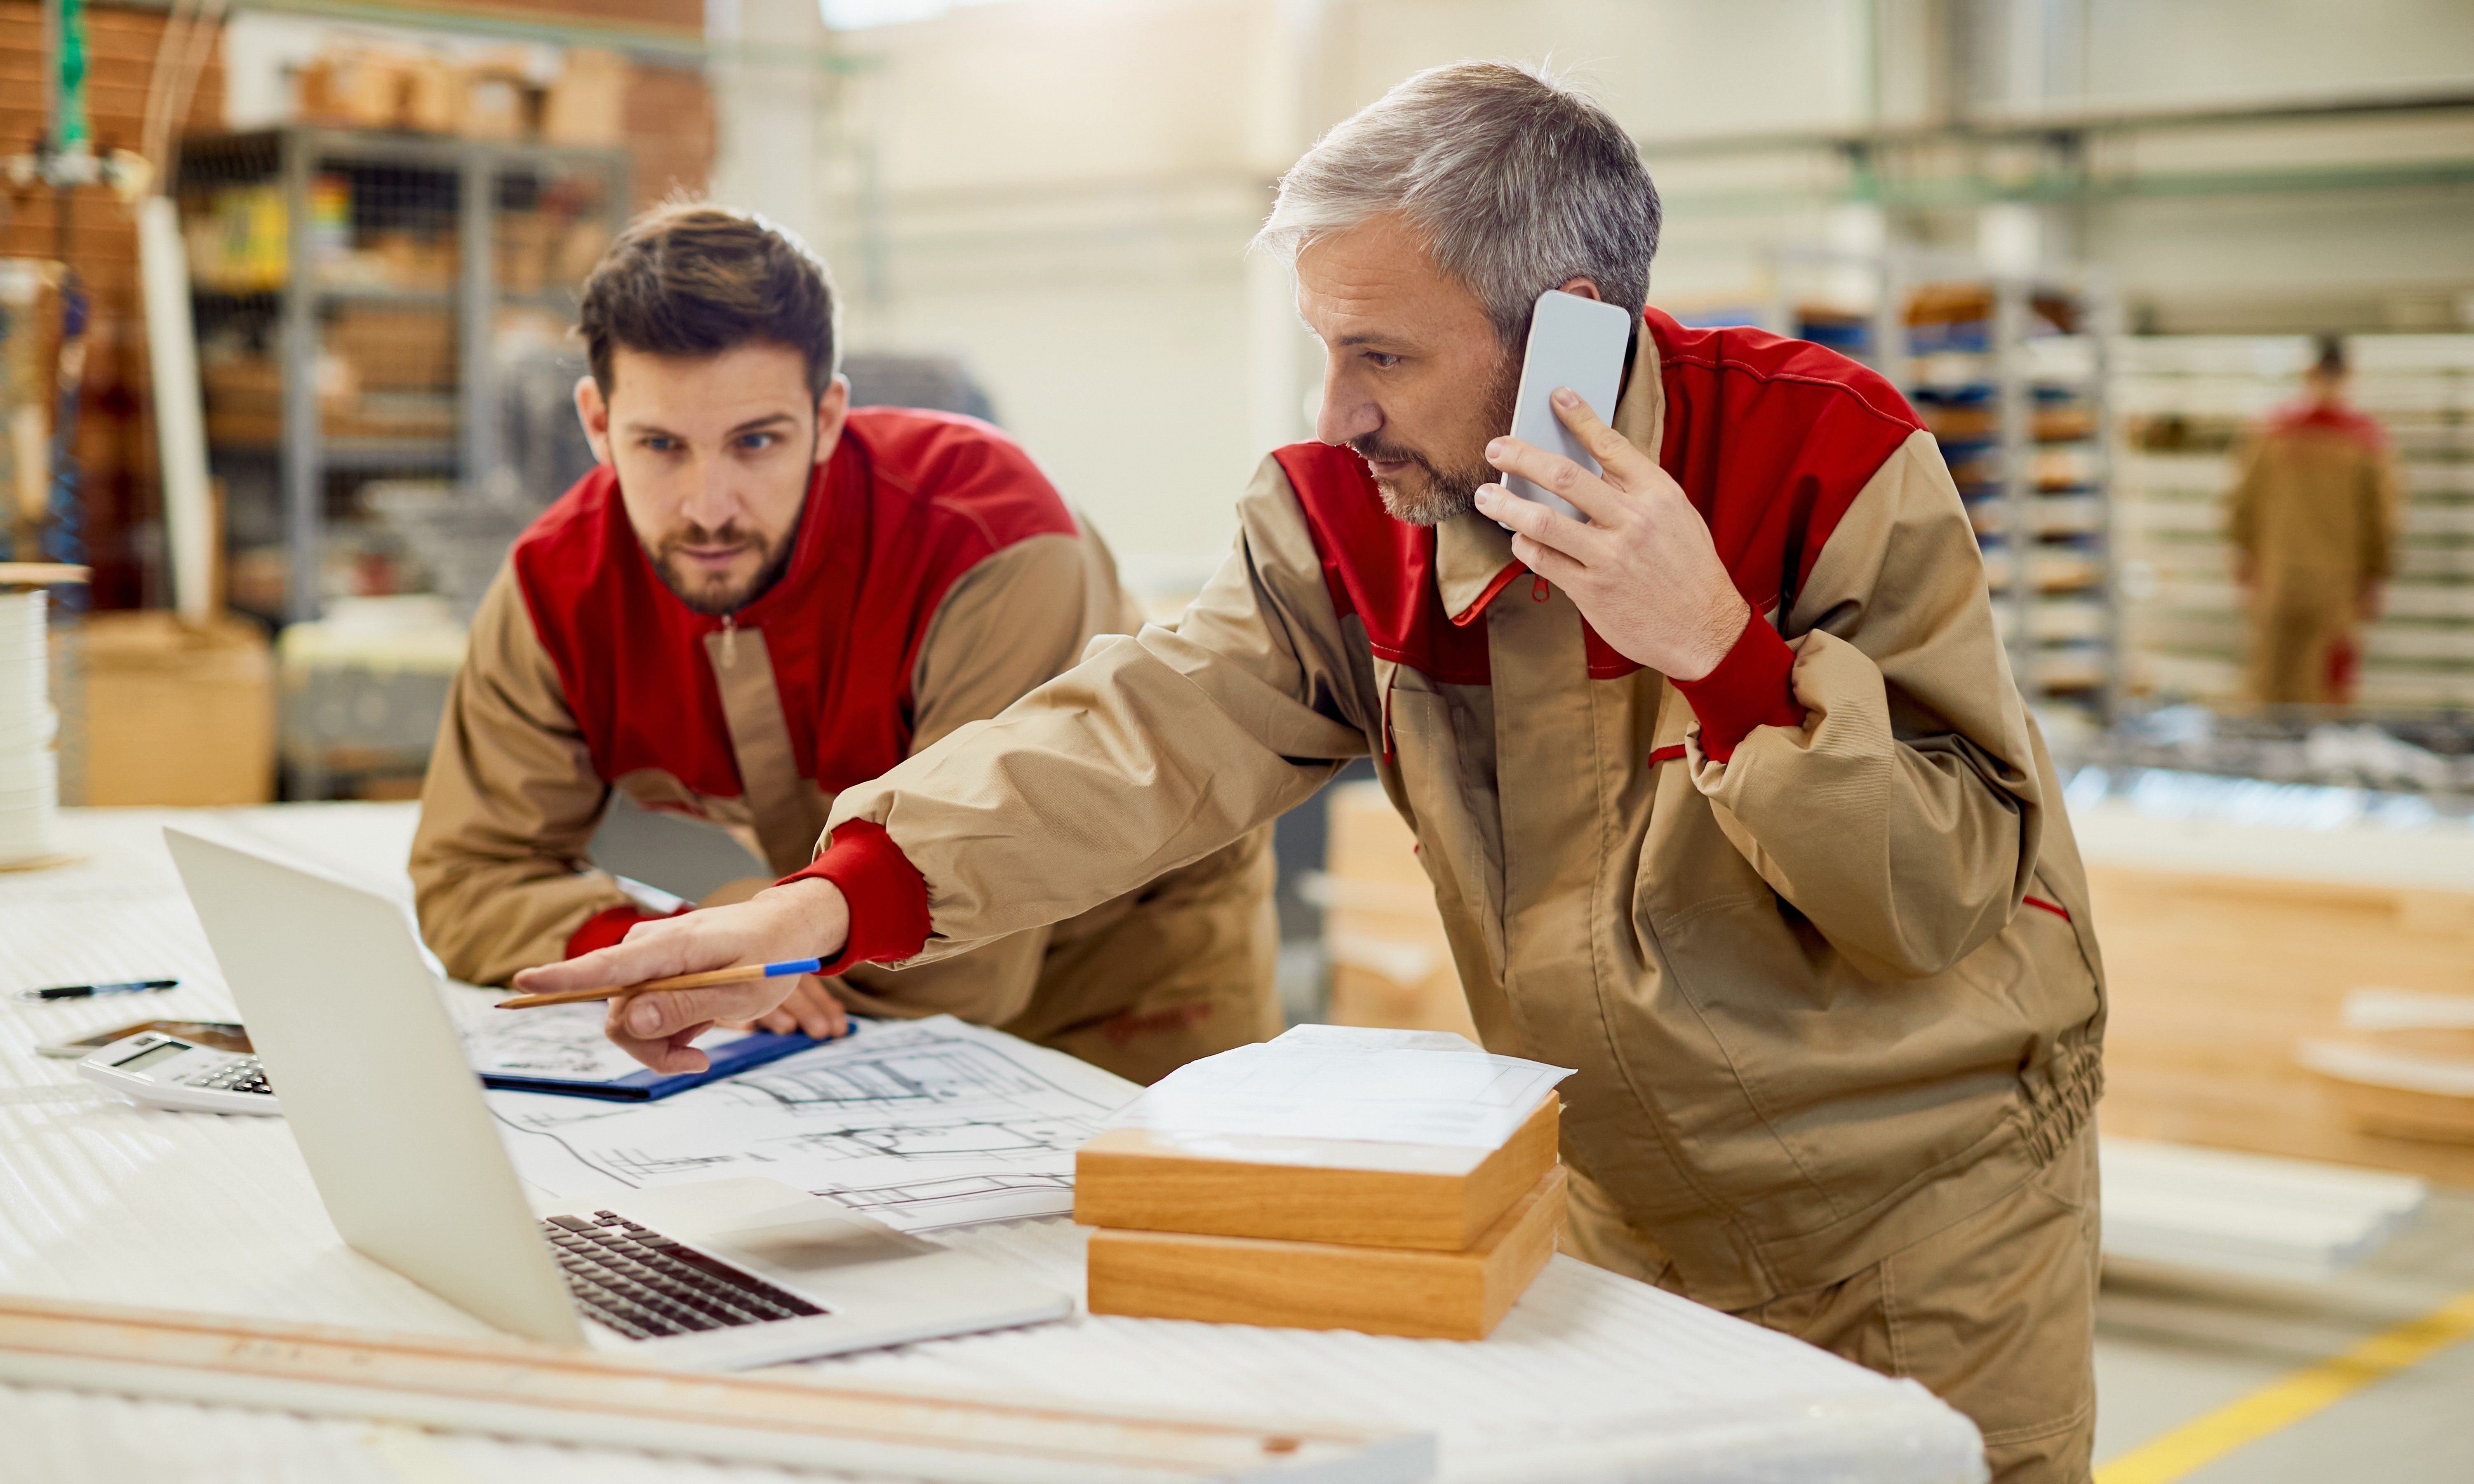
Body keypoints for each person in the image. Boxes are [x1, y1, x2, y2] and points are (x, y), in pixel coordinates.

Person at [518, 68, 2107, 1484]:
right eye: (1322, 349)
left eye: (1379, 355)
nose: (1332, 410)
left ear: (1569, 328)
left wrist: (1718, 648)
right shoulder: (1355, 516)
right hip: (1618, 1204)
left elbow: (1937, 888)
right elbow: (1146, 732)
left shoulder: (1822, 459)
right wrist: (833, 895)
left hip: (1924, 1217)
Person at [411, 203, 1280, 1085]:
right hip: (830, 974)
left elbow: (966, 962)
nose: (708, 507)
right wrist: (658, 952)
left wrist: (758, 947)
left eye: (756, 442)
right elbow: (467, 874)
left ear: (828, 417)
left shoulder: (992, 542)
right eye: (661, 446)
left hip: (1124, 982)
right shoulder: (559, 587)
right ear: (598, 424)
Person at [2228, 336, 2399, 707]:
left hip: (2280, 577)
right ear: (2349, 376)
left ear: (2309, 373)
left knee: (2272, 684)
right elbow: (2381, 521)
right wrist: (2375, 575)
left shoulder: (2272, 434)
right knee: (2324, 689)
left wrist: (2245, 559)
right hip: (2335, 583)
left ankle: (2266, 761)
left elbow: (2243, 506)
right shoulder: (2365, 441)